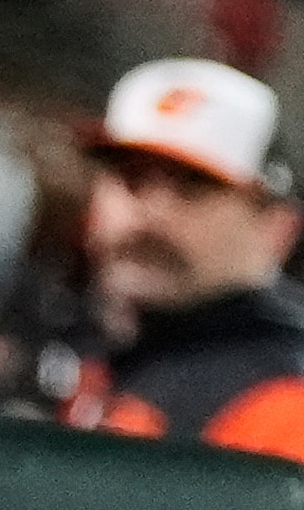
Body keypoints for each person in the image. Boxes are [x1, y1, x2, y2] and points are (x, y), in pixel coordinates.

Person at [60, 56, 304, 459]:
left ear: (276, 228)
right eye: (132, 177)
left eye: (194, 185)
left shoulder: (283, 399)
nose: (151, 212)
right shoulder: (102, 341)